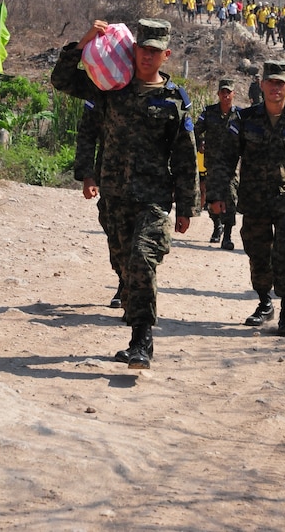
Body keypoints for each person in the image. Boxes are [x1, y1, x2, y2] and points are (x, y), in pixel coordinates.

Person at [51, 18, 200, 369]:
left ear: (166, 54)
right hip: (115, 195)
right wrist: (83, 42)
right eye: (141, 49)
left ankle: (142, 341)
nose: (146, 56)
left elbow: (185, 155)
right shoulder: (111, 85)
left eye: (153, 51)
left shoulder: (173, 100)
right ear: (133, 50)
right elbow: (63, 80)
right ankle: (135, 316)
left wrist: (186, 206)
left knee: (141, 258)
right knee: (123, 264)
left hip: (153, 197)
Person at [207, 60, 285, 337]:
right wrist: (216, 194)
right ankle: (264, 301)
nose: (275, 87)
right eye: (270, 82)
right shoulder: (244, 120)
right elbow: (225, 159)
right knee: (258, 254)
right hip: (255, 199)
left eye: (280, 83)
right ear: (261, 85)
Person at [73, 98, 123, 309]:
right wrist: (87, 176)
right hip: (110, 175)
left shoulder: (155, 88)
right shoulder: (103, 89)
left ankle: (136, 288)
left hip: (149, 181)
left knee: (142, 237)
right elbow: (86, 136)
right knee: (114, 230)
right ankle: (125, 278)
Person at [194, 77, 239, 251]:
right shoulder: (209, 112)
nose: (226, 95)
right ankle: (216, 226)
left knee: (230, 199)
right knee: (212, 201)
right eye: (223, 92)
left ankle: (227, 236)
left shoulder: (239, 116)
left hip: (230, 167)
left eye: (229, 92)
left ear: (233, 94)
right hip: (212, 165)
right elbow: (196, 130)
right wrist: (200, 143)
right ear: (218, 94)